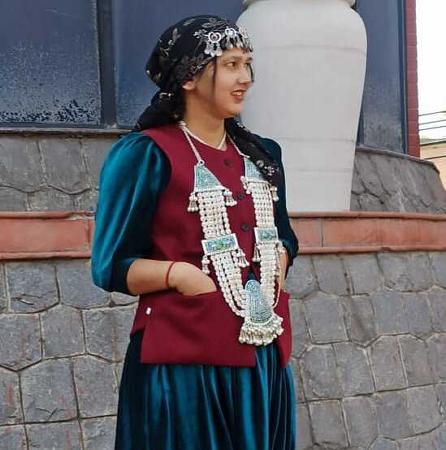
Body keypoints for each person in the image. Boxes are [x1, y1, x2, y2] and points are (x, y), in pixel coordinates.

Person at [91, 14, 299, 450]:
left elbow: (284, 235)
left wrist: (280, 255)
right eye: (230, 65)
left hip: (263, 357)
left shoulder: (262, 154)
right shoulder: (146, 154)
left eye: (247, 64)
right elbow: (111, 265)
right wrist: (181, 276)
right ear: (188, 76)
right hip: (185, 369)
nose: (245, 78)